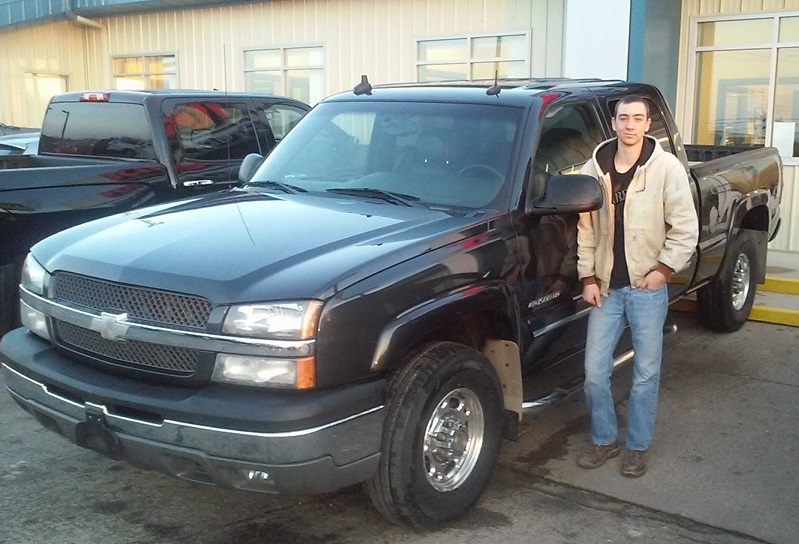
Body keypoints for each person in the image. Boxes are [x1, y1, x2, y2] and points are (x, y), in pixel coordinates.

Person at [575, 95, 699, 477]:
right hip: (607, 291)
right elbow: (586, 228)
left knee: (646, 373)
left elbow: (685, 228)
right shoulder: (594, 167)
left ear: (648, 124)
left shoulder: (667, 169)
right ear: (613, 123)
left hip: (647, 289)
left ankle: (637, 448)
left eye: (638, 118)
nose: (630, 125)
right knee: (595, 373)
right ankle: (604, 439)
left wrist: (663, 269)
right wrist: (588, 276)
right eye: (623, 118)